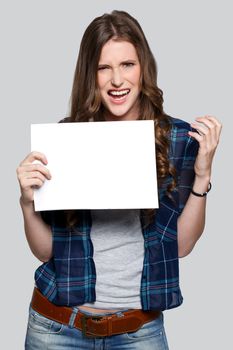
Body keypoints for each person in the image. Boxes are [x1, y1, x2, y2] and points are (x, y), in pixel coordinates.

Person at [17, 10, 222, 350]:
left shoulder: (176, 139)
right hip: (56, 328)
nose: (117, 80)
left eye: (127, 64)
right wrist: (26, 201)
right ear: (90, 75)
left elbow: (182, 246)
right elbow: (45, 251)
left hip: (137, 331)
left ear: (143, 68)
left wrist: (203, 175)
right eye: (103, 67)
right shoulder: (66, 139)